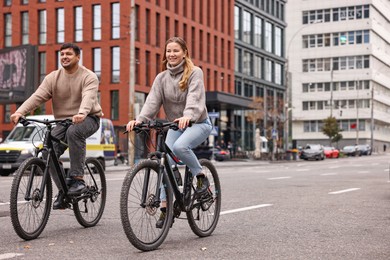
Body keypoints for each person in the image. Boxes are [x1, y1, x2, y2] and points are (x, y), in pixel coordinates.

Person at [126, 36, 212, 228]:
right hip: (175, 125)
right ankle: (166, 209)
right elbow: (152, 102)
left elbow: (195, 98)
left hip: (198, 123)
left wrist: (188, 116)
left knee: (180, 147)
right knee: (164, 163)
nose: (171, 54)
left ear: (184, 53)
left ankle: (201, 177)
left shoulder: (194, 73)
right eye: (168, 51)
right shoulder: (162, 78)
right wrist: (139, 120)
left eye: (176, 51)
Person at [10, 43, 103, 210]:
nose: (64, 57)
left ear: (77, 57)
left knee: (74, 132)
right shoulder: (53, 77)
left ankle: (78, 179)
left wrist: (82, 113)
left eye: (68, 54)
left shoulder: (88, 76)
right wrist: (19, 112)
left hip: (89, 118)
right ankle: (64, 191)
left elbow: (88, 97)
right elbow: (37, 96)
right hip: (63, 121)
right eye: (62, 55)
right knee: (47, 151)